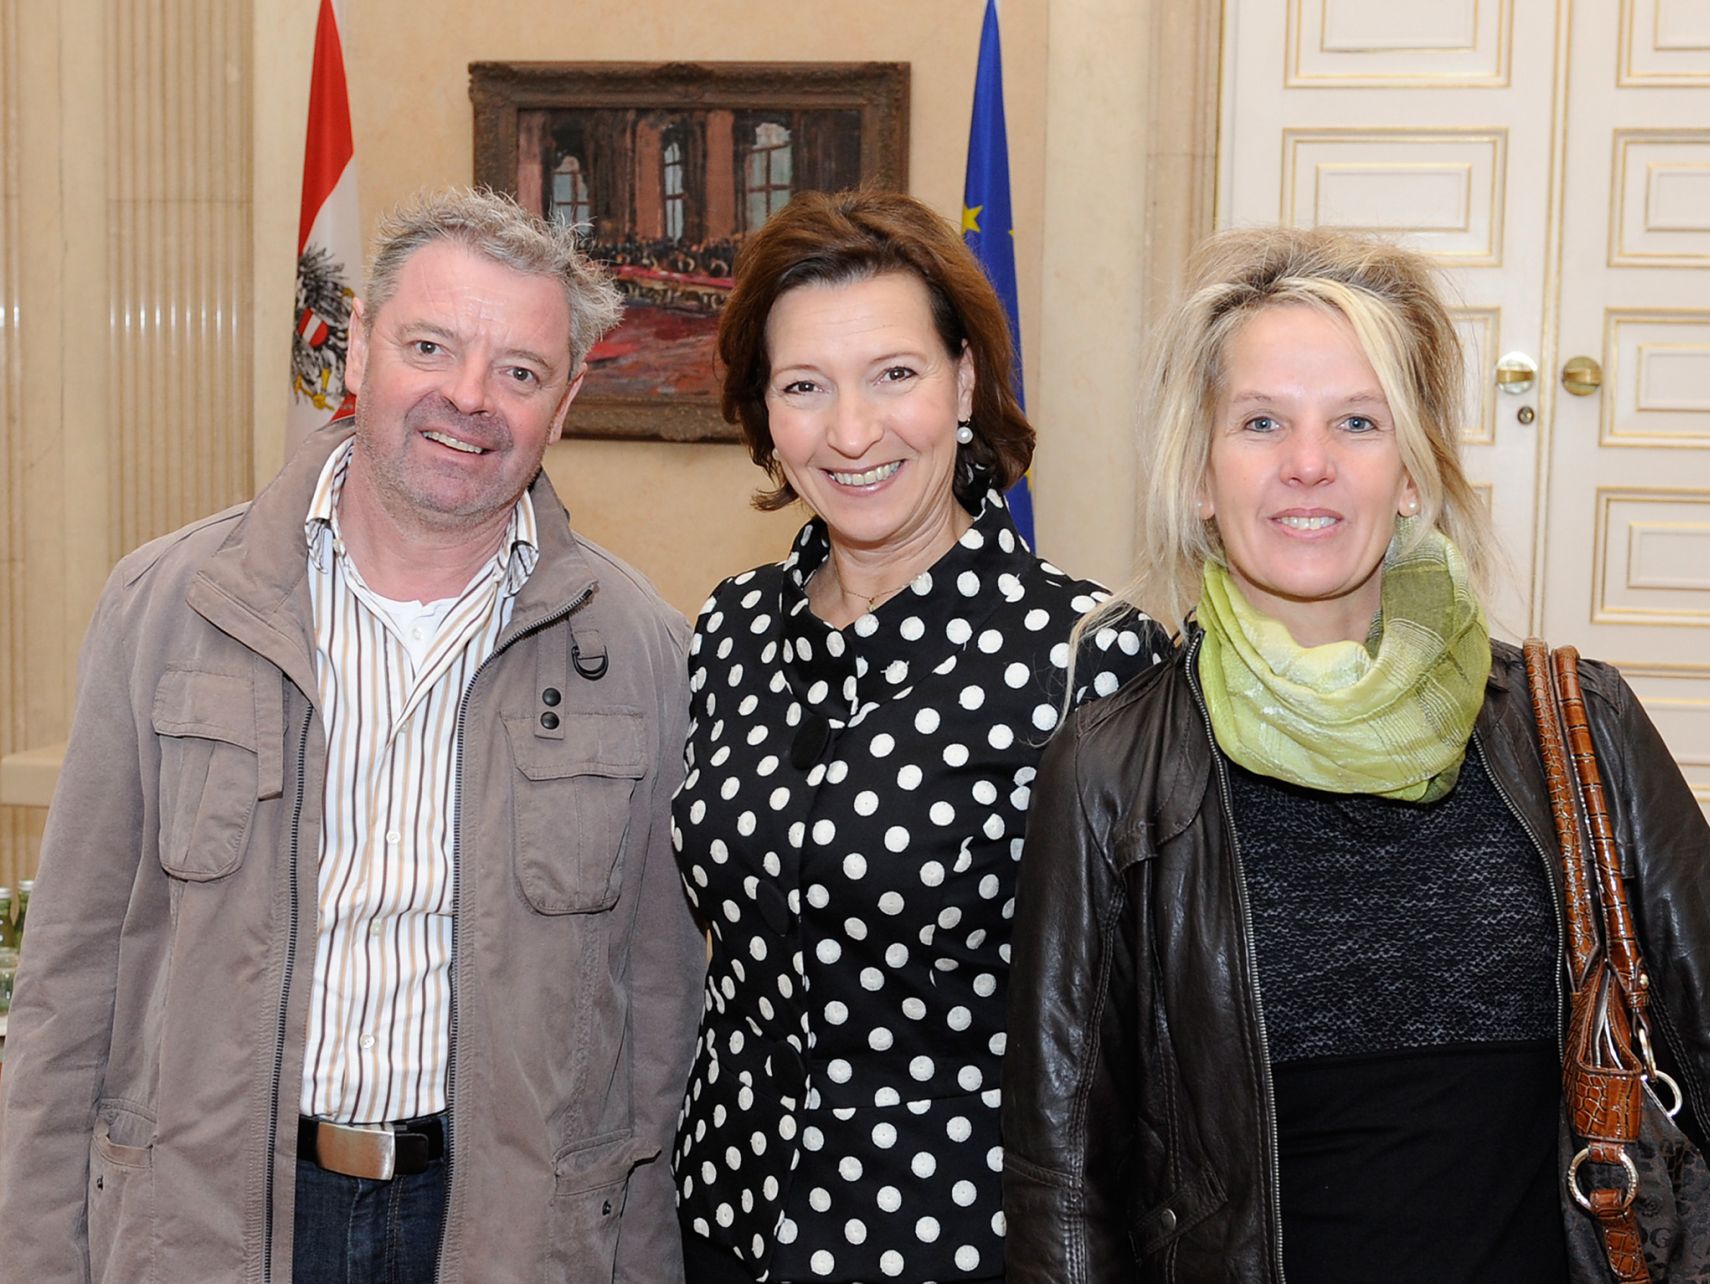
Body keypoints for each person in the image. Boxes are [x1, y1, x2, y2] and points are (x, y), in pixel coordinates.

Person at [1001, 226, 1710, 1281]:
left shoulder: (1575, 724)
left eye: (1356, 422)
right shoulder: (1110, 770)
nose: (1306, 464)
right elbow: (1063, 1177)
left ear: (1409, 473)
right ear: (1198, 477)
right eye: (1260, 421)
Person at [0, 188, 704, 1283]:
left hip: (508, 1236)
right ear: (362, 348)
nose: (467, 399)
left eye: (519, 371)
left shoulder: (643, 652)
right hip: (210, 1231)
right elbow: (71, 982)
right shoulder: (167, 606)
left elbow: (661, 1019)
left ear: (562, 405)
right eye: (430, 345)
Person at [668, 189, 1167, 1282]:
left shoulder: (1091, 658)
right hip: (722, 1218)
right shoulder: (730, 628)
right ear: (764, 410)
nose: (851, 433)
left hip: (958, 1240)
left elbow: (1150, 1031)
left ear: (964, 384)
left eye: (894, 374)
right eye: (805, 387)